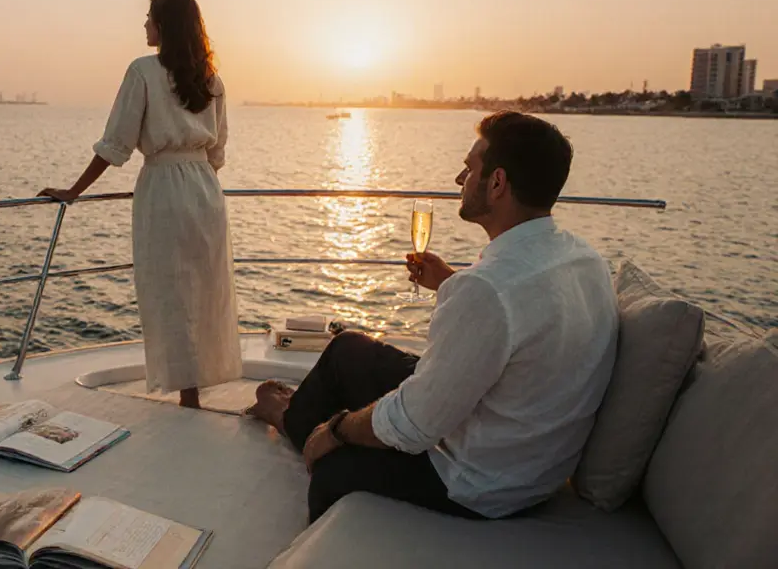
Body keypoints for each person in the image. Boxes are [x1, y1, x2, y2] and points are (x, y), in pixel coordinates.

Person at [248, 111, 619, 522]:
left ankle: (289, 420)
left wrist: (335, 429)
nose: (460, 181)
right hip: (533, 461)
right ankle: (299, 416)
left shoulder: (487, 289)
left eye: (468, 168)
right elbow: (521, 319)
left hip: (482, 482)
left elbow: (415, 424)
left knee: (331, 467)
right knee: (348, 347)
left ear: (496, 183)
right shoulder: (585, 259)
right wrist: (448, 282)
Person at [39, 0, 242, 409]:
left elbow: (116, 144)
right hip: (205, 190)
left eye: (149, 18)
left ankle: (188, 396)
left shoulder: (143, 71)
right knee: (205, 289)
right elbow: (217, 151)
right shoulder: (212, 80)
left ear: (165, 26)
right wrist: (196, 179)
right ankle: (197, 390)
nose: (145, 25)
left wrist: (73, 191)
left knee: (171, 291)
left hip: (164, 189)